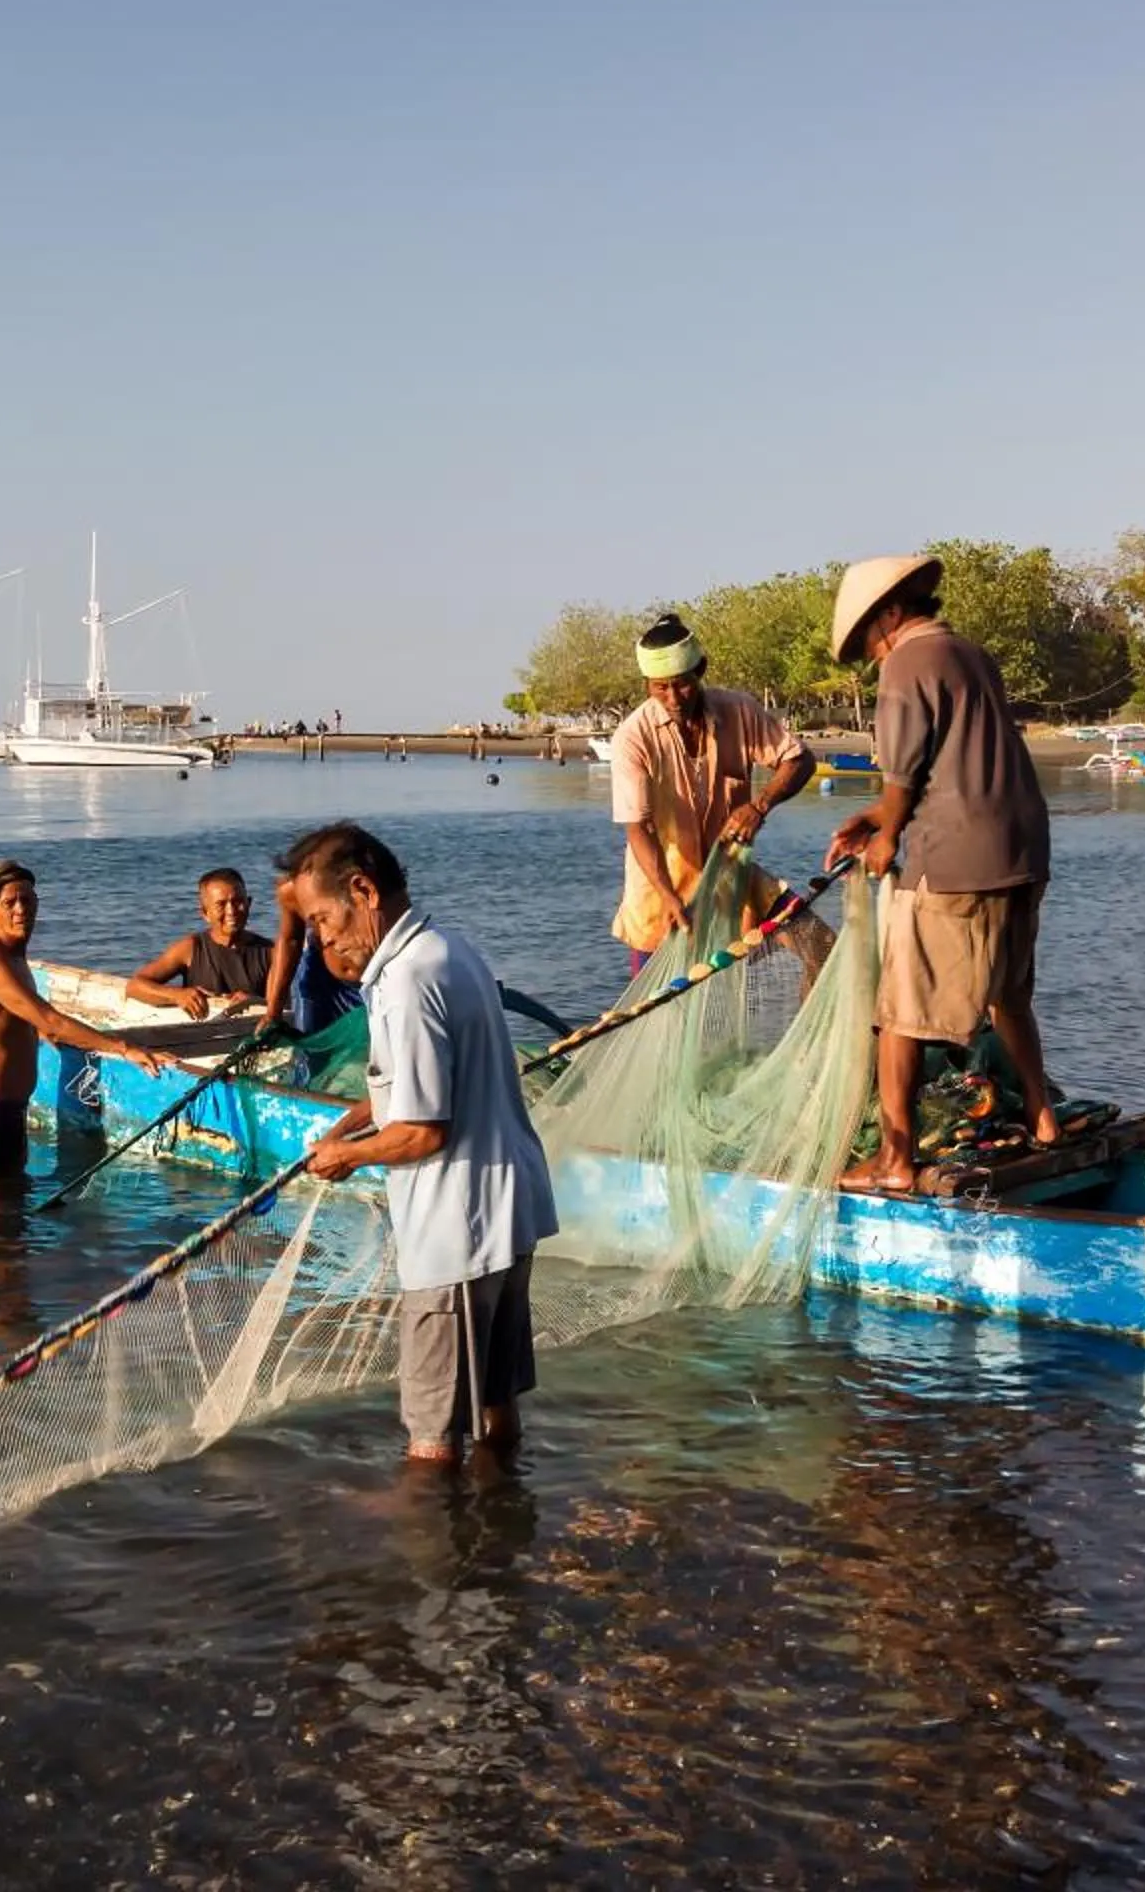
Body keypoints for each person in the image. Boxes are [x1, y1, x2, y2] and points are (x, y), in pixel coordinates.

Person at [294, 822, 560, 1464]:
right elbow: (425, 1084)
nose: (323, 938)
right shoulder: (448, 949)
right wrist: (352, 1123)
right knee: (496, 1406)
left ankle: (427, 1556)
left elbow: (422, 1130)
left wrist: (346, 1157)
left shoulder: (406, 981)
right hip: (507, 1217)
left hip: (454, 1239)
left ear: (363, 891)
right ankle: (502, 1537)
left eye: (325, 918)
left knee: (430, 1440)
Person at [822, 552, 1060, 1193]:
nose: (873, 654)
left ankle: (894, 1161)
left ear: (892, 615)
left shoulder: (907, 662)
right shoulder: (969, 654)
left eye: (870, 639)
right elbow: (949, 763)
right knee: (1008, 994)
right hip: (1022, 852)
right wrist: (877, 816)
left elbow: (902, 772)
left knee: (898, 1014)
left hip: (954, 861)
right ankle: (1042, 1116)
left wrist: (887, 835)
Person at [605, 613, 816, 971]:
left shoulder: (738, 710)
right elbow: (637, 828)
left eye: (682, 684)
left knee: (817, 944)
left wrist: (759, 806)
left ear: (700, 670)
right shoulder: (633, 738)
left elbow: (799, 760)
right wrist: (670, 897)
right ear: (647, 685)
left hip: (730, 882)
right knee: (662, 1011)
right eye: (660, 687)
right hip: (663, 898)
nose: (673, 698)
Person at [0, 859, 174, 1171]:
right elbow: (53, 1024)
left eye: (27, 900)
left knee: (11, 1209)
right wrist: (123, 1048)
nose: (20, 909)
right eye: (9, 903)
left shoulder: (11, 957)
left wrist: (19, 1027)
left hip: (10, 1108)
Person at [125, 868, 275, 1019]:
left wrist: (255, 1002)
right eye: (221, 905)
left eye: (238, 902)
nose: (231, 911)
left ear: (249, 903)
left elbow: (285, 1005)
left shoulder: (271, 952)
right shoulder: (190, 949)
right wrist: (177, 995)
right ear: (205, 913)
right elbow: (135, 986)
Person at [260, 863, 364, 1034]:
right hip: (318, 975)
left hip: (364, 979)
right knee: (311, 1044)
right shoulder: (289, 891)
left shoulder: (354, 886)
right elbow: (290, 939)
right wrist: (273, 1011)